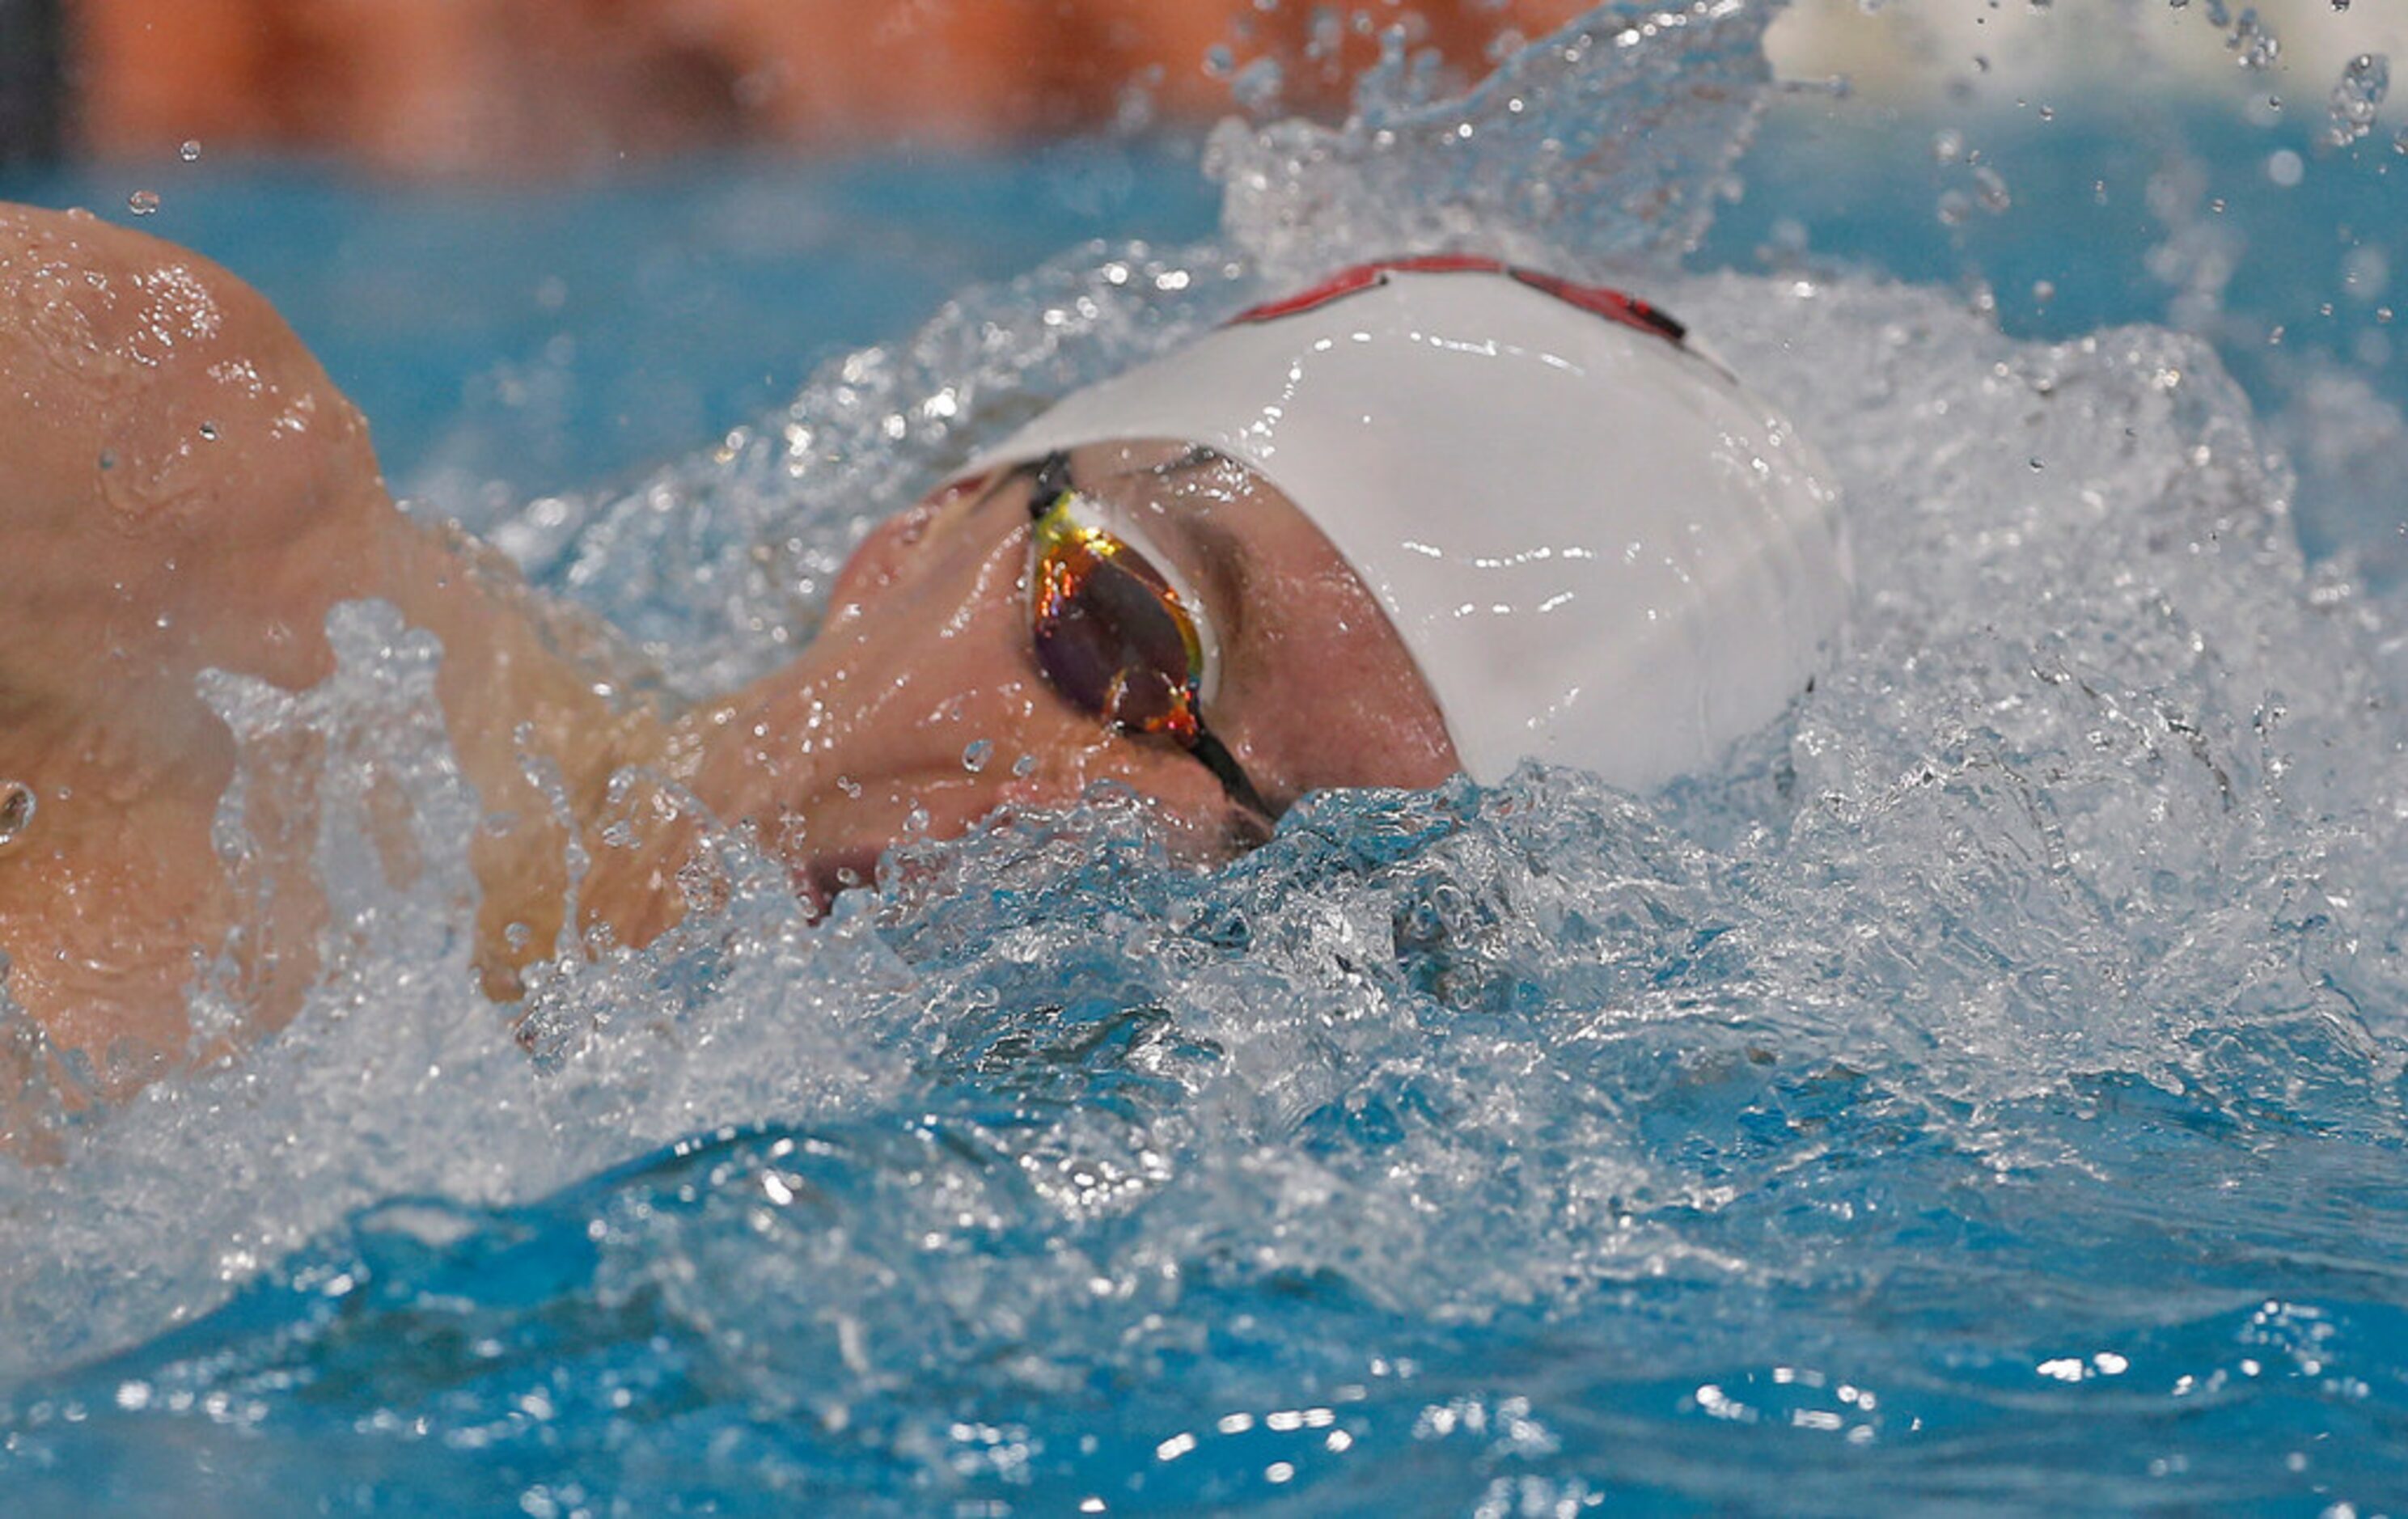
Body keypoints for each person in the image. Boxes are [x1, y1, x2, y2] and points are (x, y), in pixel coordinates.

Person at [0, 205, 1847, 1100]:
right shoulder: (181, 506)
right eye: (1112, 639)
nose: (1091, 828)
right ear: (925, 528)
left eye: (1288, 885)